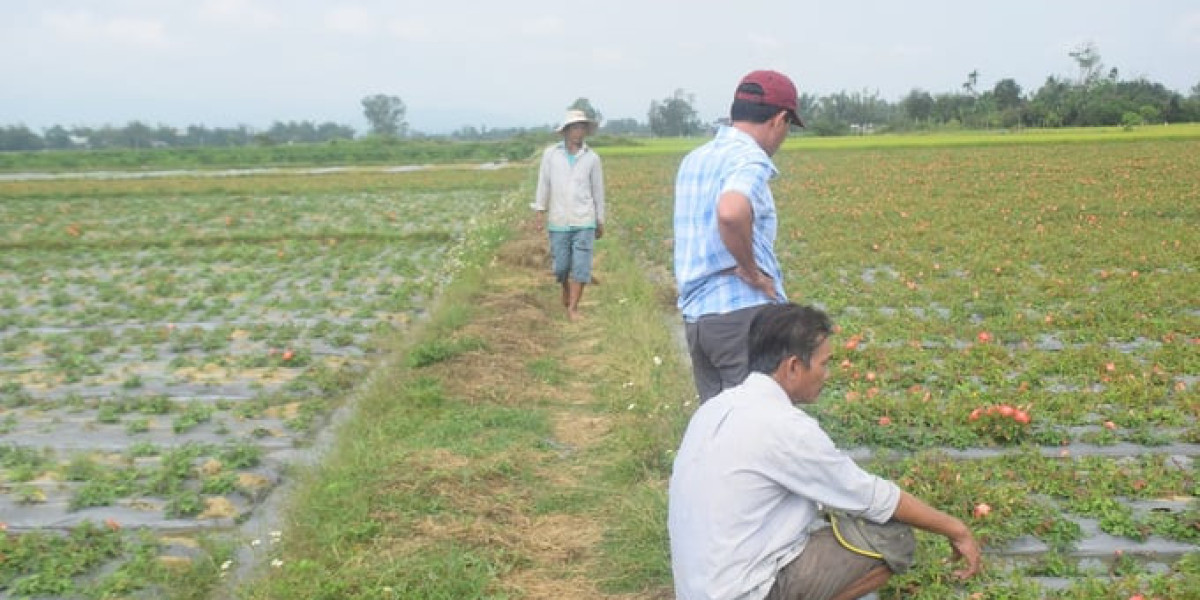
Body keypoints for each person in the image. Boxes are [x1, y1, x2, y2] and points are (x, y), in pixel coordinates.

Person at [668, 303, 982, 600]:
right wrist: (956, 529)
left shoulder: (715, 408)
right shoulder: (785, 427)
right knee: (892, 534)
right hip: (744, 592)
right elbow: (873, 498)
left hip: (699, 588)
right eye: (824, 363)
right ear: (793, 367)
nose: (827, 375)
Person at [673, 69, 804, 402]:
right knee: (754, 428)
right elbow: (731, 212)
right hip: (741, 317)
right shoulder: (749, 158)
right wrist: (752, 270)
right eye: (788, 126)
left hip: (699, 319)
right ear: (779, 119)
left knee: (717, 427)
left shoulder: (695, 159)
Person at [532, 109, 606, 321]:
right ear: (565, 131)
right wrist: (539, 211)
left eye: (582, 127)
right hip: (558, 220)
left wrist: (600, 220)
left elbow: (598, 191)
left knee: (581, 265)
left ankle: (573, 308)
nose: (578, 131)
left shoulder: (592, 158)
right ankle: (565, 287)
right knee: (561, 266)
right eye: (574, 127)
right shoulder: (551, 155)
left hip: (585, 219)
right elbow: (543, 183)